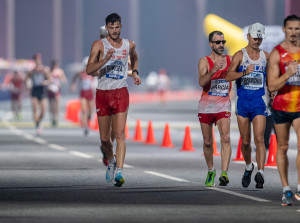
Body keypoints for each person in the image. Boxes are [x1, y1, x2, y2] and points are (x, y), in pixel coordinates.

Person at [86, 13, 141, 187]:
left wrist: (135, 73)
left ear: (121, 26)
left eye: (117, 27)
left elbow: (135, 58)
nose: (115, 30)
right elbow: (88, 69)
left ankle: (120, 171)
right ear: (107, 28)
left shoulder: (129, 44)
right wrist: (105, 59)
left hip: (121, 93)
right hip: (102, 93)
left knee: (119, 134)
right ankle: (111, 162)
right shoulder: (98, 45)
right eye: (111, 27)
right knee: (104, 139)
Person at [226, 23, 269, 189]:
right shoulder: (239, 55)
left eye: (260, 38)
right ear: (248, 37)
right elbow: (228, 76)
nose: (257, 41)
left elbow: (272, 77)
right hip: (243, 102)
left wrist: (273, 91)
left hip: (259, 102)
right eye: (255, 37)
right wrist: (244, 72)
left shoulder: (266, 56)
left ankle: (261, 173)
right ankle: (249, 166)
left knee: (259, 139)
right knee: (245, 142)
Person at [267, 15, 300, 206]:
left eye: (297, 29)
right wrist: (287, 73)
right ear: (284, 30)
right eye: (291, 29)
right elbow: (271, 86)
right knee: (283, 147)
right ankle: (286, 189)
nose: (294, 33)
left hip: (299, 106)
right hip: (281, 106)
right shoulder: (277, 54)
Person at [198, 31, 232, 187]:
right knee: (207, 142)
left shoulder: (231, 60)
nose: (221, 45)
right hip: (206, 106)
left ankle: (224, 173)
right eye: (217, 42)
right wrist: (213, 70)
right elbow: (201, 82)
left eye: (223, 42)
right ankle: (211, 170)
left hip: (223, 104)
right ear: (211, 44)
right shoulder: (204, 61)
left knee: (225, 138)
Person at [26, 53, 50, 135]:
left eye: (38, 59)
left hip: (42, 90)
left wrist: (45, 82)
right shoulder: (31, 71)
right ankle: (38, 126)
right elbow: (26, 79)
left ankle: (38, 122)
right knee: (35, 109)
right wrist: (27, 85)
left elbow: (50, 79)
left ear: (40, 60)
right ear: (34, 61)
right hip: (35, 90)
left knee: (43, 111)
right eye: (36, 59)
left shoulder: (44, 70)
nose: (37, 61)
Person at [71, 57, 95, 136]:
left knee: (90, 112)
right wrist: (73, 85)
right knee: (84, 111)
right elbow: (74, 78)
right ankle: (85, 128)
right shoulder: (80, 73)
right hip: (83, 93)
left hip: (90, 93)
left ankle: (87, 123)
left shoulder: (92, 72)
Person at [47, 60, 67, 127]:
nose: (54, 66)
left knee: (57, 104)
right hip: (50, 90)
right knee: (51, 105)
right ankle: (52, 118)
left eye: (55, 65)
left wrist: (60, 83)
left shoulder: (60, 71)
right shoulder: (49, 71)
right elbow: (46, 79)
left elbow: (64, 80)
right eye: (53, 65)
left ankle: (56, 118)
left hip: (57, 90)